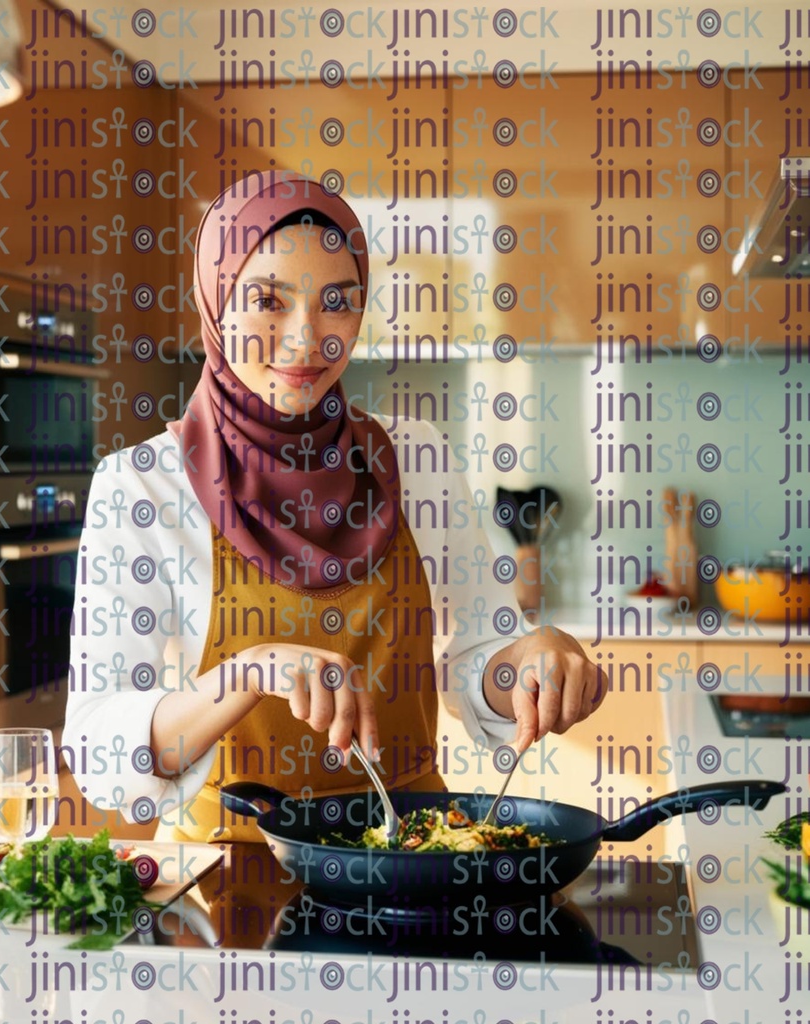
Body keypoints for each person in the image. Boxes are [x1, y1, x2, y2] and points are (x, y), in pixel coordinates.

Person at [63, 172, 606, 842]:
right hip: (233, 876)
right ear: (215, 297)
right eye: (268, 299)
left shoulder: (417, 457)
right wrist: (248, 671)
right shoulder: (143, 486)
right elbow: (98, 749)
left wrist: (529, 661)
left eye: (337, 302)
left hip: (414, 858)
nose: (307, 338)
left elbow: (477, 664)